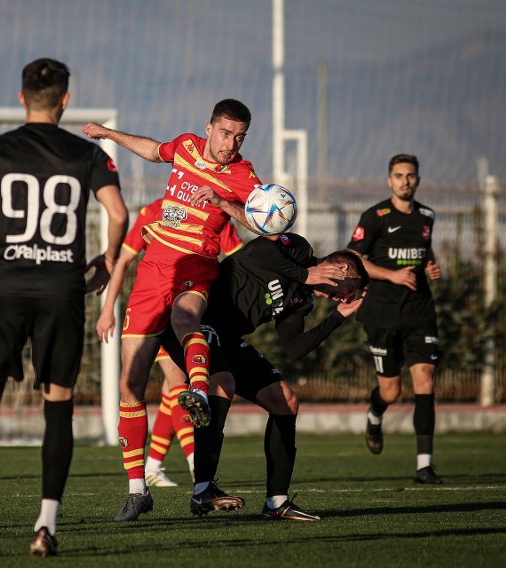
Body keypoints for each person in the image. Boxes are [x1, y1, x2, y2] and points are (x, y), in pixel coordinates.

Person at [85, 102, 336, 521]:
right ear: (209, 128)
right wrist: (111, 135)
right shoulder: (184, 147)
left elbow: (264, 225)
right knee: (130, 384)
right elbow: (153, 150)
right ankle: (136, 490)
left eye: (239, 136)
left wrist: (223, 200)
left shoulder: (244, 175)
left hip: (195, 266)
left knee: (187, 320)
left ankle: (198, 394)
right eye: (225, 133)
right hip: (152, 273)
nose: (231, 144)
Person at [0, 58, 128, 558]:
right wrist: (107, 261)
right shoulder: (89, 154)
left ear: (20, 98)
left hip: (5, 287)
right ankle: (45, 525)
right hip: (60, 291)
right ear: (65, 100)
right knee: (57, 406)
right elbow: (119, 213)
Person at [159, 233, 368, 520]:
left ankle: (277, 503)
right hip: (194, 321)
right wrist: (304, 273)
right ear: (341, 269)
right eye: (350, 289)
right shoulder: (299, 249)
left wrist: (337, 317)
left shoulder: (302, 299)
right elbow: (258, 250)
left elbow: (293, 348)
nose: (345, 297)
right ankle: (203, 490)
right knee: (223, 383)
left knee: (285, 400)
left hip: (227, 338)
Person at [97, 197, 243, 488]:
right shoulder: (152, 212)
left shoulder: (214, 212)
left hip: (186, 304)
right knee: (174, 385)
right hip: (154, 308)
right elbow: (124, 259)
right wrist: (107, 309)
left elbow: (238, 259)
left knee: (170, 390)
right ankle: (192, 464)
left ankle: (153, 465)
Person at [346, 153, 443, 484]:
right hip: (383, 313)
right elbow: (354, 258)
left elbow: (423, 251)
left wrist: (430, 266)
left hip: (420, 312)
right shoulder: (375, 216)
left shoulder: (427, 216)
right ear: (390, 180)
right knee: (391, 392)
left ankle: (424, 466)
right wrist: (392, 275)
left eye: (411, 175)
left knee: (425, 381)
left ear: (418, 179)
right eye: (399, 175)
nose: (406, 181)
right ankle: (375, 414)